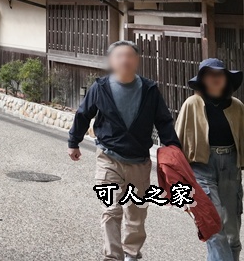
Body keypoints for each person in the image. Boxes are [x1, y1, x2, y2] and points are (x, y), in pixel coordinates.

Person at [68, 40, 182, 261]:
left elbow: (164, 121)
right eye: (119, 56)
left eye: (129, 56)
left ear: (137, 60)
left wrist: (173, 148)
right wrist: (74, 142)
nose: (124, 60)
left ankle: (131, 253)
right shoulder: (100, 87)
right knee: (111, 209)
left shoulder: (149, 89)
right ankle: (113, 256)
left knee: (136, 213)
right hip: (108, 157)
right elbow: (83, 115)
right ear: (112, 61)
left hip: (139, 160)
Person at [175, 58, 244, 261]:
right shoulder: (192, 104)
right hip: (201, 167)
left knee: (232, 227)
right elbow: (177, 142)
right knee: (212, 225)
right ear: (202, 80)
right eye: (209, 75)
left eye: (219, 74)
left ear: (226, 79)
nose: (215, 79)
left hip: (230, 166)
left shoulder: (238, 106)